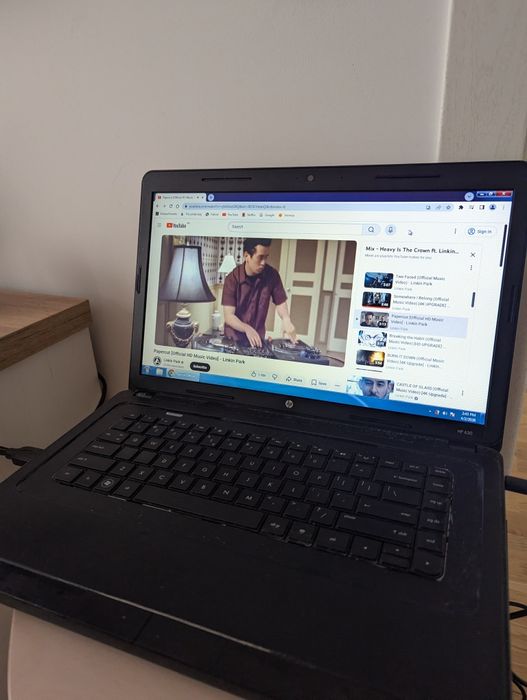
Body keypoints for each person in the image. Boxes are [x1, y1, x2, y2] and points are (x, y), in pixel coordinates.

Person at [222, 238, 297, 348]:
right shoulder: (231, 279)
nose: (263, 262)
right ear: (247, 256)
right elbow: (229, 316)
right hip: (234, 339)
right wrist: (246, 328)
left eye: (266, 257)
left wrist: (286, 319)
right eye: (260, 257)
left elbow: (280, 301)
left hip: (257, 339)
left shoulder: (272, 275)